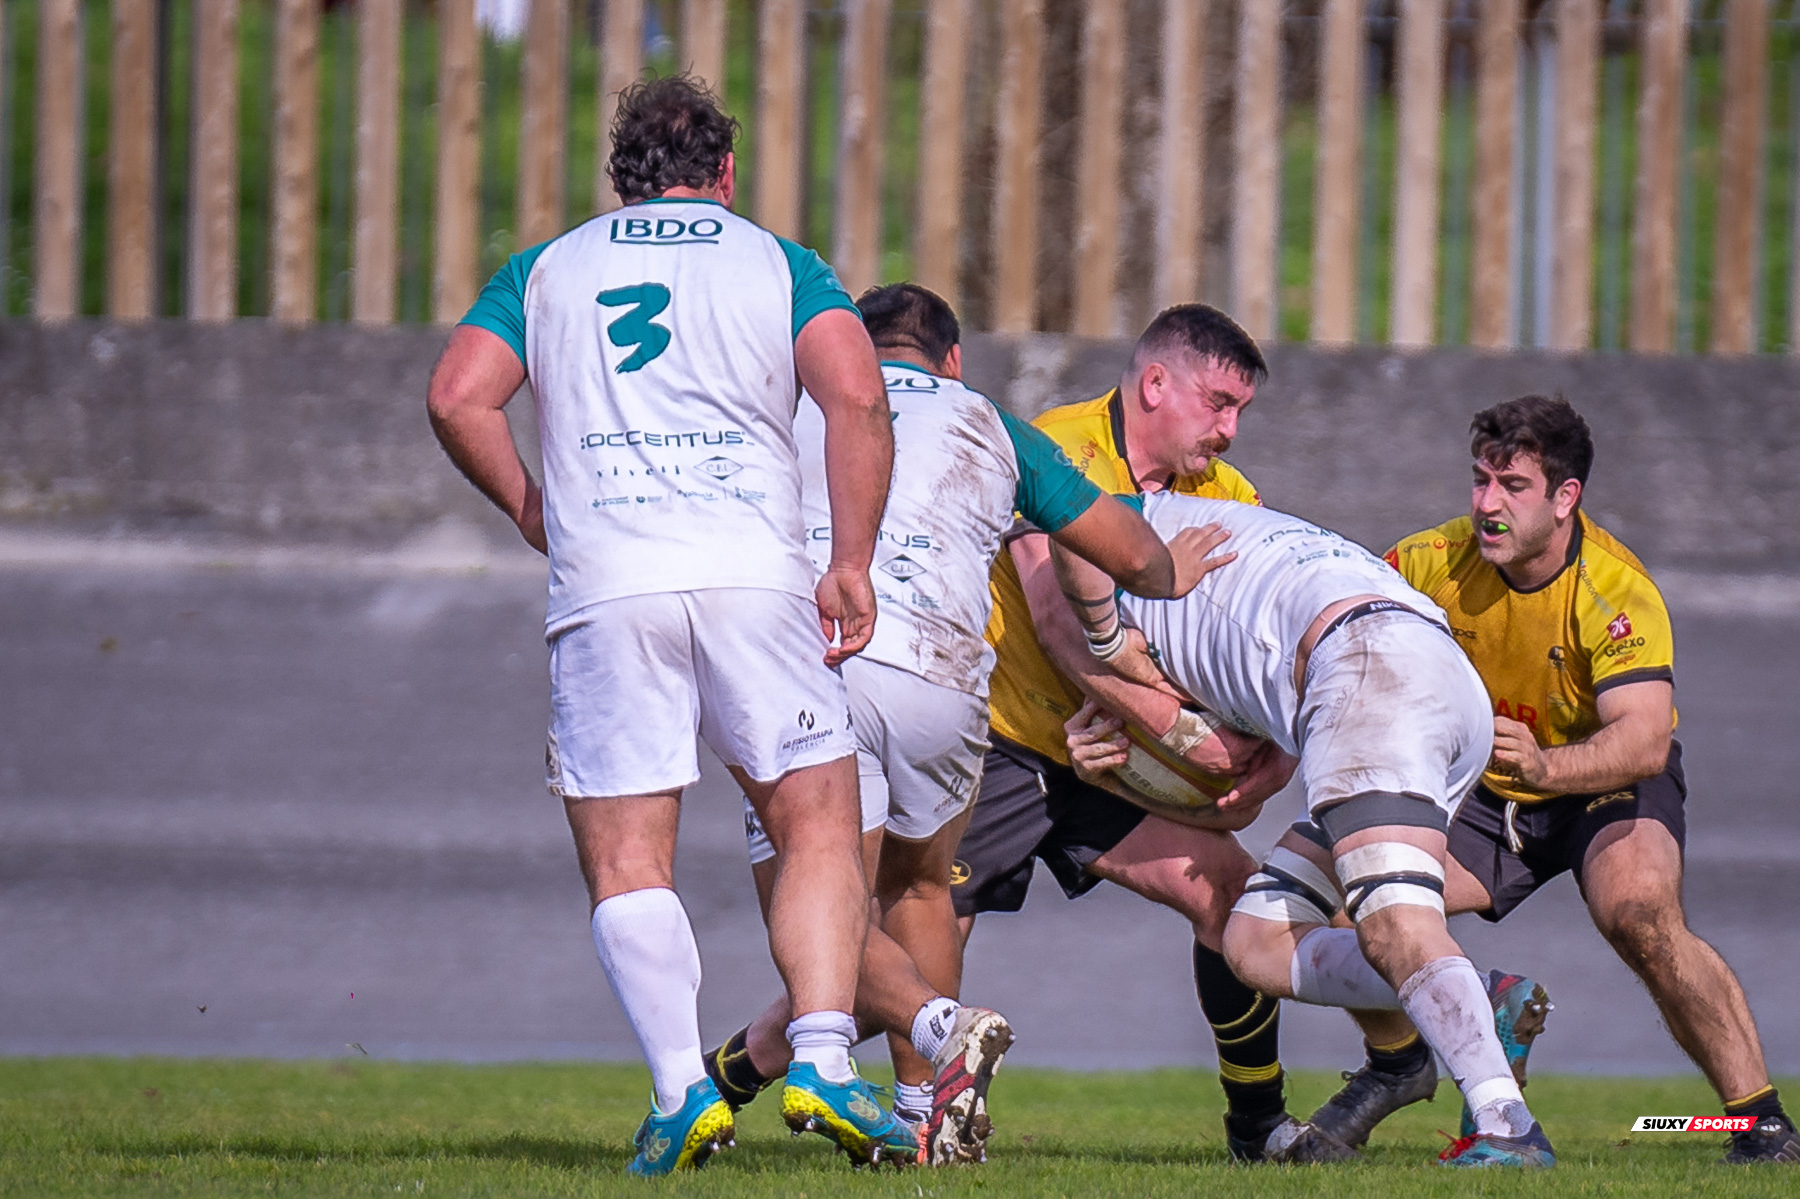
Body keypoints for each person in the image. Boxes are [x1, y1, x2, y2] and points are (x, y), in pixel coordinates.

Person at [426, 75, 907, 1175]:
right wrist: (849, 561)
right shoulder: (779, 261)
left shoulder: (545, 267)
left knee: (629, 857)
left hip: (610, 580)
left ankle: (682, 1091)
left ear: (621, 179)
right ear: (725, 173)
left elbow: (457, 394)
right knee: (815, 821)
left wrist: (531, 503)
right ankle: (825, 1061)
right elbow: (858, 395)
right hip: (752, 575)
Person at [701, 284, 1219, 1164]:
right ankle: (919, 1113)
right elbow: (1130, 553)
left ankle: (944, 1025)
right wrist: (1168, 575)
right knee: (921, 888)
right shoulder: (995, 424)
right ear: (953, 360)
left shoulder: (791, 407)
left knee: (814, 896)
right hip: (944, 683)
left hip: (819, 666)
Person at [954, 306, 1351, 1162]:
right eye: (1218, 404)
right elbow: (1058, 621)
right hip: (1002, 742)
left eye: (1241, 410)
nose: (1230, 429)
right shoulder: (1059, 448)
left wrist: (1272, 755)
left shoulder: (1228, 496)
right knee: (924, 927)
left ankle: (1257, 1126)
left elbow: (1268, 642)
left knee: (1230, 892)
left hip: (1108, 761)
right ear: (1157, 383)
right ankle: (869, 1105)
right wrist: (1185, 736)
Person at [1057, 490, 1558, 1169]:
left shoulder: (1134, 530)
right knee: (1255, 940)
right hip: (1422, 673)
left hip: (1368, 667)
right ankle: (1477, 998)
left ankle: (1509, 1128)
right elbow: (1236, 803)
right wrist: (1117, 770)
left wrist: (1107, 642)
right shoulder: (1227, 545)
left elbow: (1066, 533)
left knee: (1393, 923)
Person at [1364, 395, 1793, 1165]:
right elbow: (1332, 633)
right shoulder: (1428, 560)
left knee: (1640, 913)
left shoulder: (1615, 588)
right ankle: (1436, 1041)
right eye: (1480, 480)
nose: (1487, 504)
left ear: (1566, 498)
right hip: (1488, 791)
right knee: (1356, 910)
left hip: (1604, 779)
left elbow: (1643, 739)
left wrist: (1546, 765)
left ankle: (1760, 1124)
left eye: (1513, 486)